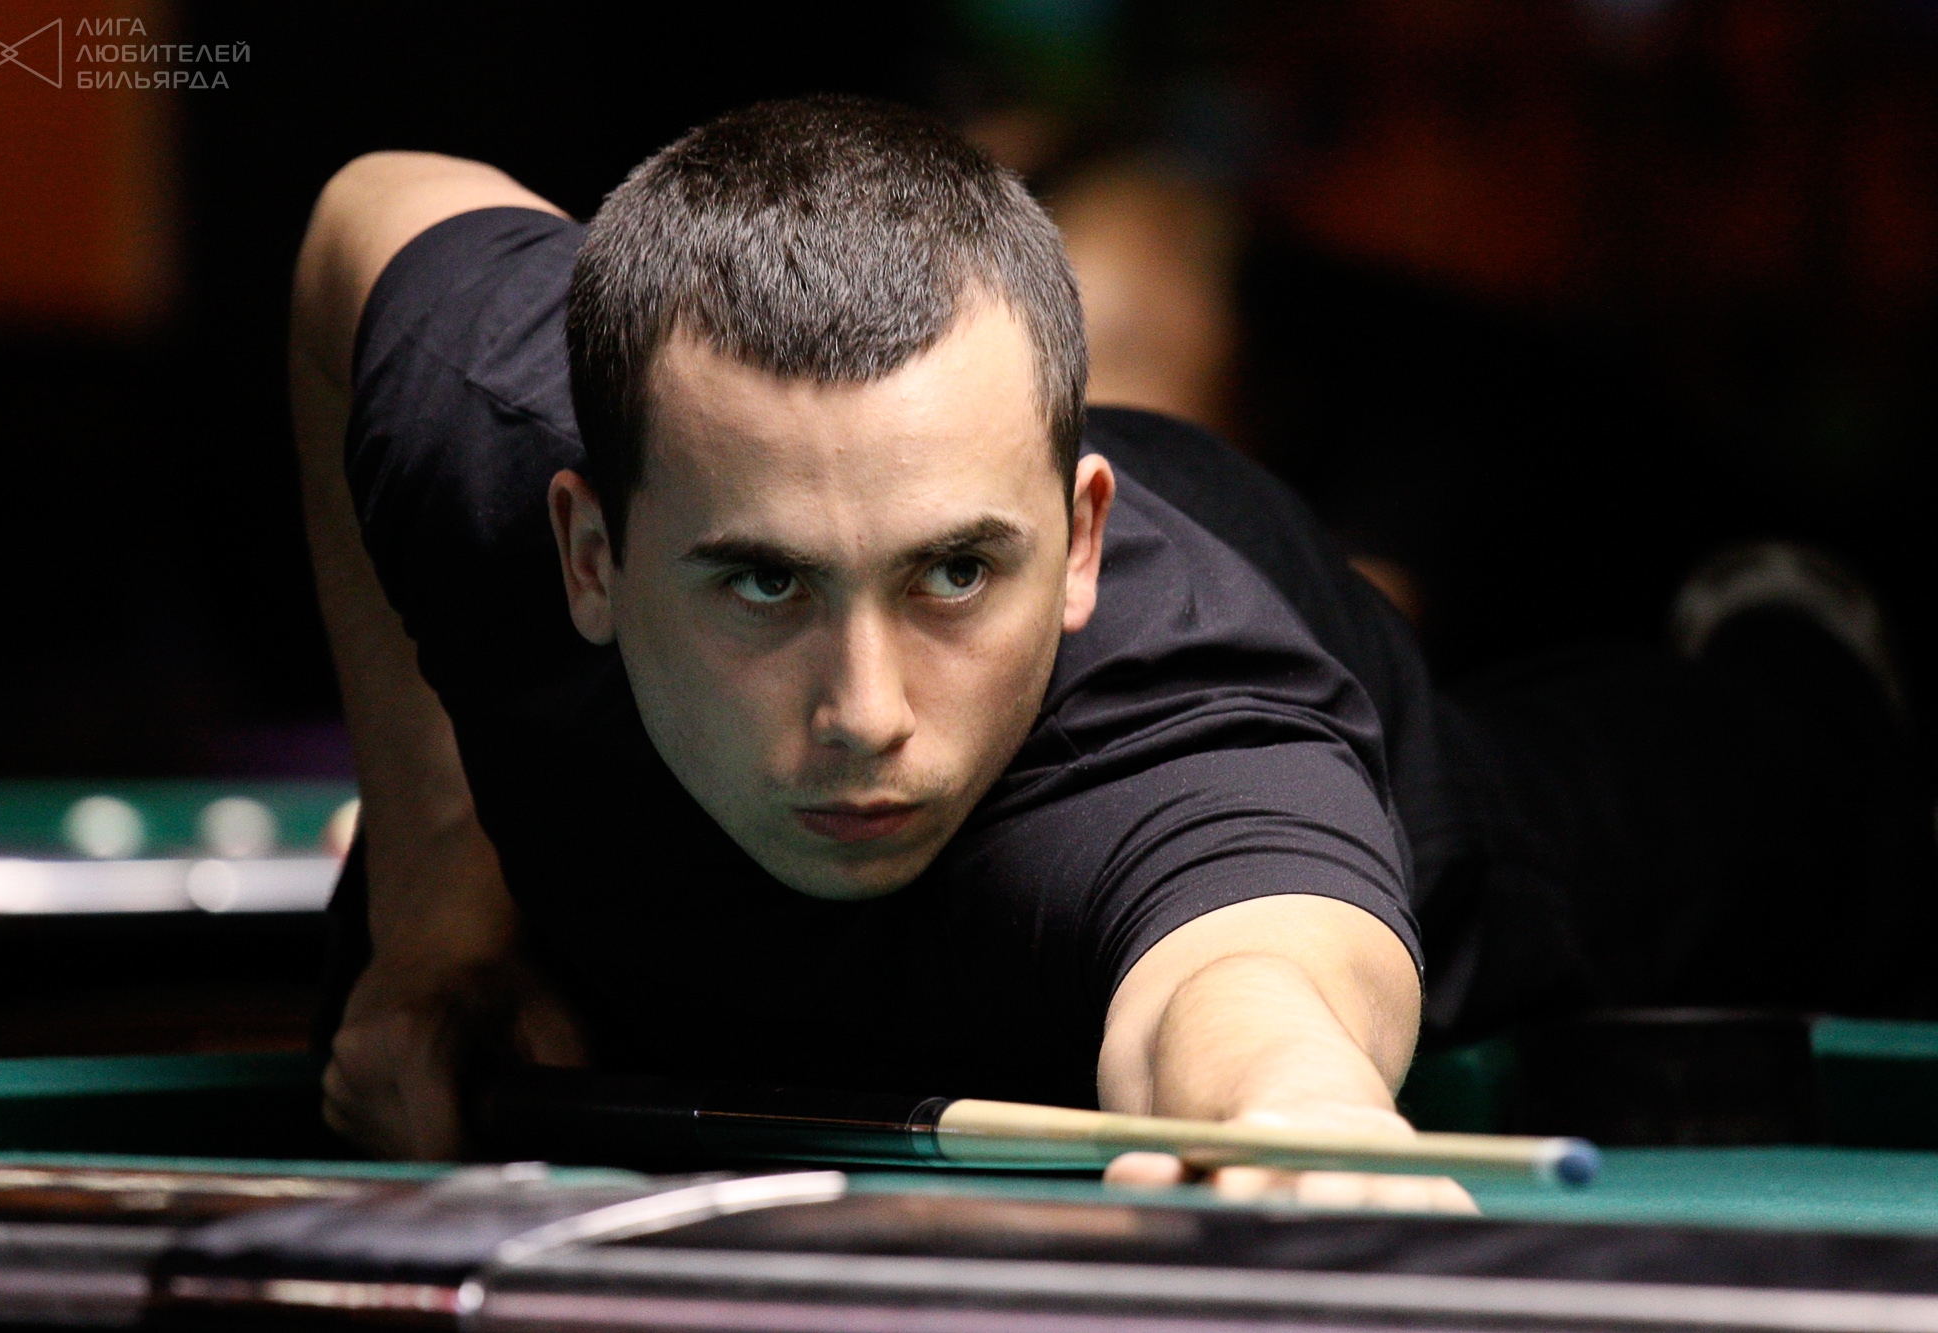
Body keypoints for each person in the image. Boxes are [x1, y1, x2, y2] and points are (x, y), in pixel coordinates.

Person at [291, 97, 1935, 1200]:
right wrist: (440, 908)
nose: (867, 713)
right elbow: (361, 224)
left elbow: (1250, 988)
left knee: (1662, 809)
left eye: (952, 575)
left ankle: (1802, 663)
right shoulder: (502, 420)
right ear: (588, 549)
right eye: (764, 585)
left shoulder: (1191, 736)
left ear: (1076, 541)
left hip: (1328, 657)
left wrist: (1295, 1115)